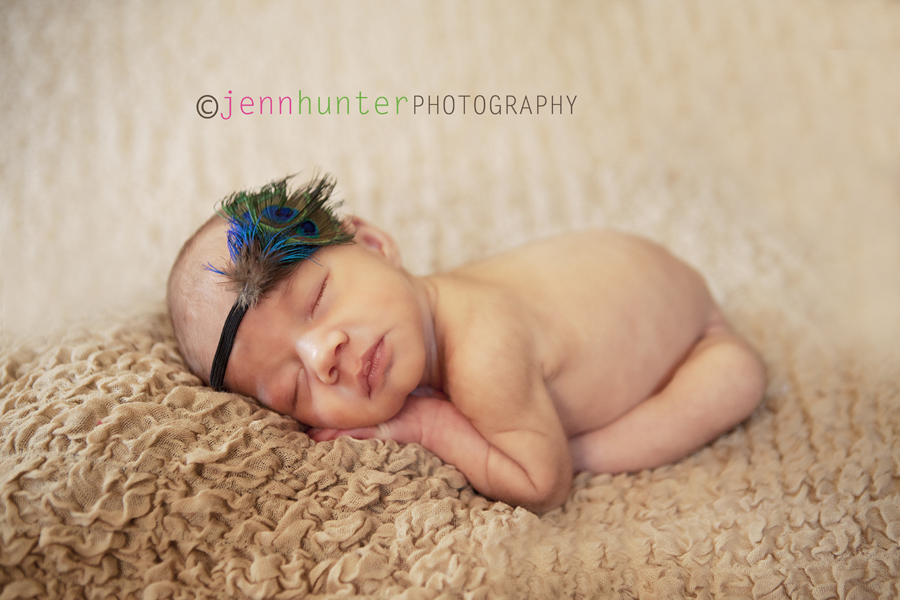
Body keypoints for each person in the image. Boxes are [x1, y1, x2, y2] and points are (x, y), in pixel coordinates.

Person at [167, 174, 766, 513]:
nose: (323, 356)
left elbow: (542, 486)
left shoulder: (482, 354)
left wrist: (431, 425)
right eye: (294, 387)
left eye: (317, 298)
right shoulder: (424, 309)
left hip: (697, 338)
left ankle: (582, 446)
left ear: (373, 245)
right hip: (630, 268)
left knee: (738, 379)